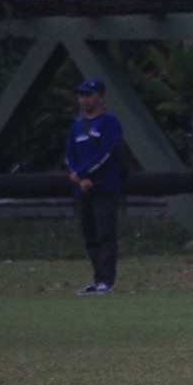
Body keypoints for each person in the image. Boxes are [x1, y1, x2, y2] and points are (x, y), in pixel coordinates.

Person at [66, 79, 124, 296]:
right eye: (81, 95)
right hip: (84, 189)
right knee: (90, 235)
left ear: (100, 97)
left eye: (88, 95)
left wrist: (84, 173)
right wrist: (80, 178)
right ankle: (97, 278)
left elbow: (106, 152)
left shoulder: (109, 122)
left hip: (105, 187)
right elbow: (70, 155)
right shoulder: (77, 126)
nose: (83, 99)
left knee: (106, 234)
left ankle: (106, 282)